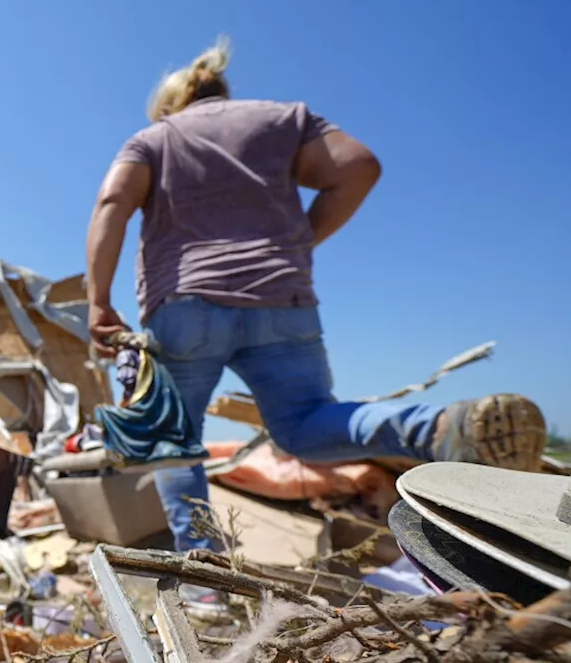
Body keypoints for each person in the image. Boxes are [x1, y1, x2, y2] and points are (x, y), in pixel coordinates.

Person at [84, 38, 547, 567]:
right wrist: (300, 241)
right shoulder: (282, 120)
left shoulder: (154, 138)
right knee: (306, 423)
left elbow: (112, 202)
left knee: (176, 439)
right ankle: (439, 428)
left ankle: (205, 566)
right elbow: (359, 166)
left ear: (170, 106)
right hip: (282, 298)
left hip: (185, 302)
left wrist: (98, 302)